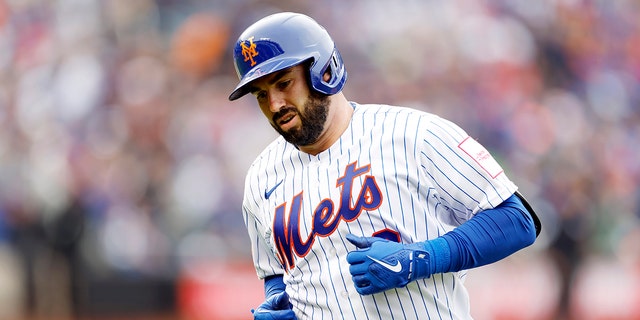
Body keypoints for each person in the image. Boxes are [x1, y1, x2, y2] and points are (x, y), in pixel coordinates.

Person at [228, 12, 542, 320]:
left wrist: (419, 259)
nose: (275, 104)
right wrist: (277, 300)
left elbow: (516, 221)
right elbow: (275, 272)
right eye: (261, 94)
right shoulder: (260, 178)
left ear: (324, 72)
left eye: (283, 83)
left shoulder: (414, 134)